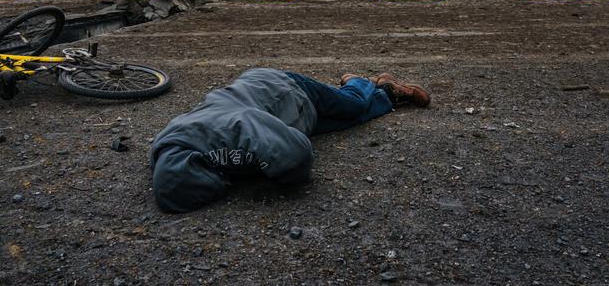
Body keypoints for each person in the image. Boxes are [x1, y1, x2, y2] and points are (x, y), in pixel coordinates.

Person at [149, 69, 430, 212]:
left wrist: (262, 170)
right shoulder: (171, 150)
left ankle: (359, 82)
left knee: (353, 106)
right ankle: (388, 92)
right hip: (286, 112)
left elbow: (297, 158)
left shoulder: (232, 126)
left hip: (285, 87)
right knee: (348, 121)